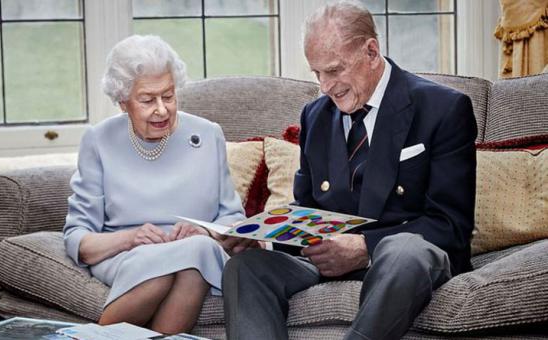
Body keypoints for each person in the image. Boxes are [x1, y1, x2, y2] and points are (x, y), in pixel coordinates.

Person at [222, 1, 477, 339]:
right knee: (246, 268)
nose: (325, 86)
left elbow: (451, 225)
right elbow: (308, 209)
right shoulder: (315, 115)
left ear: (371, 51)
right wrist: (265, 240)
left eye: (334, 70)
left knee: (405, 250)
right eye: (317, 74)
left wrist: (364, 248)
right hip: (327, 263)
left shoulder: (443, 109)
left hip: (401, 263)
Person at [63, 35, 249, 334]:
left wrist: (204, 230)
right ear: (123, 103)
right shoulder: (99, 140)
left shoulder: (208, 134)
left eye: (169, 96)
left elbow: (233, 219)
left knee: (194, 256)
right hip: (125, 254)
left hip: (197, 250)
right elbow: (78, 238)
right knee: (175, 267)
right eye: (148, 100)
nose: (161, 109)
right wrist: (131, 238)